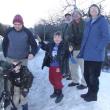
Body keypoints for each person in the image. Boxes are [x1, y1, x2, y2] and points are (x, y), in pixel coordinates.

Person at [2, 14, 38, 109]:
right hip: (10, 59)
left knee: (21, 81)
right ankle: (12, 101)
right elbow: (4, 43)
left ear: (22, 23)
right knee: (10, 81)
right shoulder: (9, 31)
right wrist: (6, 55)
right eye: (15, 24)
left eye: (19, 24)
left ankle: (23, 101)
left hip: (22, 60)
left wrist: (32, 53)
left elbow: (34, 45)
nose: (17, 26)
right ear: (13, 24)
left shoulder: (27, 32)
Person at [78, 4, 110, 102]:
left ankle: (93, 95)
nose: (93, 10)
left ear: (98, 11)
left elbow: (107, 36)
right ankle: (89, 92)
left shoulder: (102, 21)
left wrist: (98, 48)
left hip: (96, 55)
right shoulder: (88, 22)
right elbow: (85, 38)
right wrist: (82, 51)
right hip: (87, 54)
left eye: (95, 9)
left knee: (93, 76)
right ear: (89, 11)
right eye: (91, 9)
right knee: (86, 75)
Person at [39, 31, 69, 103]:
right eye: (55, 37)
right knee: (51, 79)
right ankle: (55, 91)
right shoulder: (51, 45)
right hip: (51, 66)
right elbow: (45, 47)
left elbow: (67, 55)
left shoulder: (64, 46)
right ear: (53, 38)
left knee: (57, 80)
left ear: (61, 39)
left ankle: (60, 93)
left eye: (59, 37)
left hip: (58, 67)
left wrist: (70, 51)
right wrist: (41, 42)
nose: (57, 39)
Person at [68, 10, 87, 89]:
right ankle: (75, 81)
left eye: (77, 14)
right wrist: (70, 45)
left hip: (82, 48)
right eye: (74, 14)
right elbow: (68, 36)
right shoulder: (70, 24)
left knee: (83, 67)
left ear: (80, 15)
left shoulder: (85, 23)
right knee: (72, 66)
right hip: (72, 48)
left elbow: (86, 35)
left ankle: (84, 83)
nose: (75, 15)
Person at [61, 13, 72, 79]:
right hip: (64, 45)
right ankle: (66, 73)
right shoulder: (64, 25)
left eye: (69, 16)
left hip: (71, 45)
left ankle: (71, 74)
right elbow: (62, 34)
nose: (67, 18)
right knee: (65, 59)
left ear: (71, 17)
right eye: (66, 17)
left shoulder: (73, 24)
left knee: (71, 59)